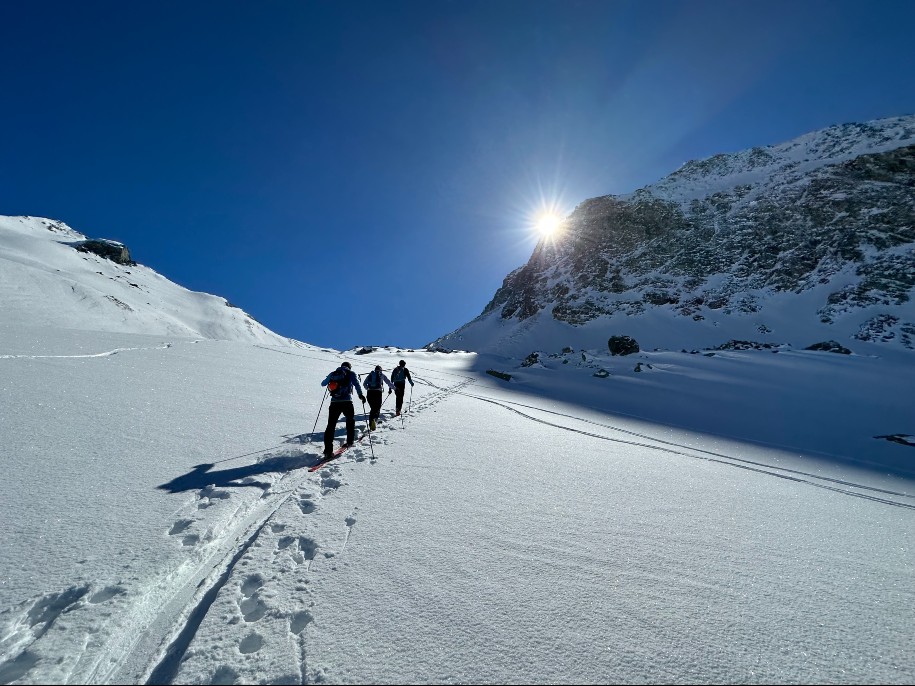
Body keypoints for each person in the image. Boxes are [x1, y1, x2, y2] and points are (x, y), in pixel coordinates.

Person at [320, 361, 365, 458]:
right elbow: (357, 384)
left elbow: (323, 384)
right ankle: (350, 441)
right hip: (347, 402)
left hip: (334, 402)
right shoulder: (351, 373)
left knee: (331, 425)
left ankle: (328, 451)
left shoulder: (333, 373)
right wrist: (361, 395)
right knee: (350, 420)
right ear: (349, 367)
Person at [362, 365, 394, 430]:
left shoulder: (370, 375)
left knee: (373, 408)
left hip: (370, 393)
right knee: (377, 408)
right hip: (378, 393)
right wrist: (395, 388)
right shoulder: (382, 375)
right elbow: (388, 382)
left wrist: (368, 388)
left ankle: (371, 422)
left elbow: (364, 384)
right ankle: (374, 421)